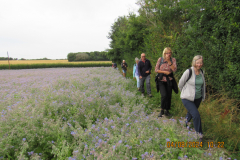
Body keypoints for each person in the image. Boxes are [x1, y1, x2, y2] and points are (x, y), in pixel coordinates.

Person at [178, 55, 205, 141]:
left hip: (198, 98)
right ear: (194, 62)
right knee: (196, 115)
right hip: (187, 98)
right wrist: (185, 93)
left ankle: (184, 125)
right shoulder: (189, 71)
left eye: (201, 62)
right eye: (198, 62)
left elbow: (203, 86)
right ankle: (199, 135)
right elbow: (180, 84)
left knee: (190, 113)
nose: (199, 64)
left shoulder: (202, 72)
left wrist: (203, 97)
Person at [155, 47, 177, 117]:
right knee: (164, 95)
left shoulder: (173, 60)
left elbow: (174, 69)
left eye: (170, 53)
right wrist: (164, 72)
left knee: (168, 95)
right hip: (161, 80)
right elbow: (156, 70)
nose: (169, 54)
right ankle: (161, 110)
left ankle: (167, 110)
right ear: (164, 53)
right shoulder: (160, 59)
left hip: (169, 80)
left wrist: (169, 62)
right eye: (167, 53)